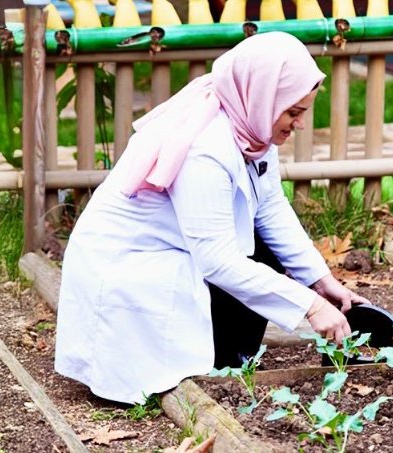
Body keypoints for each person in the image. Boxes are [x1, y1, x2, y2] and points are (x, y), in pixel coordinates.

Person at [54, 32, 369, 404]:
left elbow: (270, 206)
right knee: (242, 260)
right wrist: (310, 307)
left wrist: (320, 280)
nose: (299, 124)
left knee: (261, 248)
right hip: (130, 269)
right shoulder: (204, 149)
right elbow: (217, 261)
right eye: (293, 112)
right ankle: (215, 366)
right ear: (262, 98)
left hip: (177, 251)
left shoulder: (249, 125)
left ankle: (228, 362)